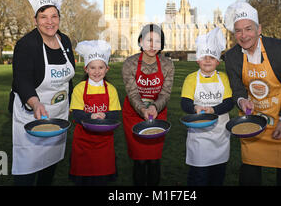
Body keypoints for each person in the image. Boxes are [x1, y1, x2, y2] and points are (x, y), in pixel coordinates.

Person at [224, 1, 281, 186]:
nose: (243, 36)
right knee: (249, 176)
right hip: (252, 124)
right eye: (238, 31)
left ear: (259, 29)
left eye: (248, 29)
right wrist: (242, 100)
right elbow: (237, 88)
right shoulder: (232, 56)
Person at [9, 0, 75, 186]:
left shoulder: (64, 41)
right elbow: (22, 80)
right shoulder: (26, 44)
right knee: (27, 171)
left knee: (49, 166)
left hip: (58, 114)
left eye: (54, 16)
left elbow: (69, 77)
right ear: (35, 20)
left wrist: (71, 102)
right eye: (44, 17)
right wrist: (35, 103)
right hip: (31, 116)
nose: (49, 22)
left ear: (59, 19)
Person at [122, 24, 175, 186]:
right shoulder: (129, 64)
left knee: (154, 160)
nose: (153, 45)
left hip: (158, 113)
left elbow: (165, 93)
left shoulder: (167, 65)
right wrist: (143, 109)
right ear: (140, 41)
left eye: (157, 41)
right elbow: (132, 93)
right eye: (149, 40)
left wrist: (154, 107)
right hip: (133, 115)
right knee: (139, 161)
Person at [180, 27, 234, 186]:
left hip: (220, 134)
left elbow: (229, 102)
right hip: (199, 135)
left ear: (218, 61)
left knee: (218, 176)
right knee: (199, 176)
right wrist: (195, 108)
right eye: (204, 57)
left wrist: (213, 110)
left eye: (212, 57)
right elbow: (185, 103)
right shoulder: (191, 79)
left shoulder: (223, 78)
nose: (208, 60)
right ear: (197, 59)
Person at [69, 40, 121, 186]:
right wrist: (91, 116)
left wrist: (105, 115)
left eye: (100, 67)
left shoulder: (111, 89)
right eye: (92, 67)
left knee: (101, 180)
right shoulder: (79, 88)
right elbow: (77, 114)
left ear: (107, 69)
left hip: (104, 143)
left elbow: (115, 114)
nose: (97, 71)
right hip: (83, 142)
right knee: (83, 180)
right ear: (86, 69)